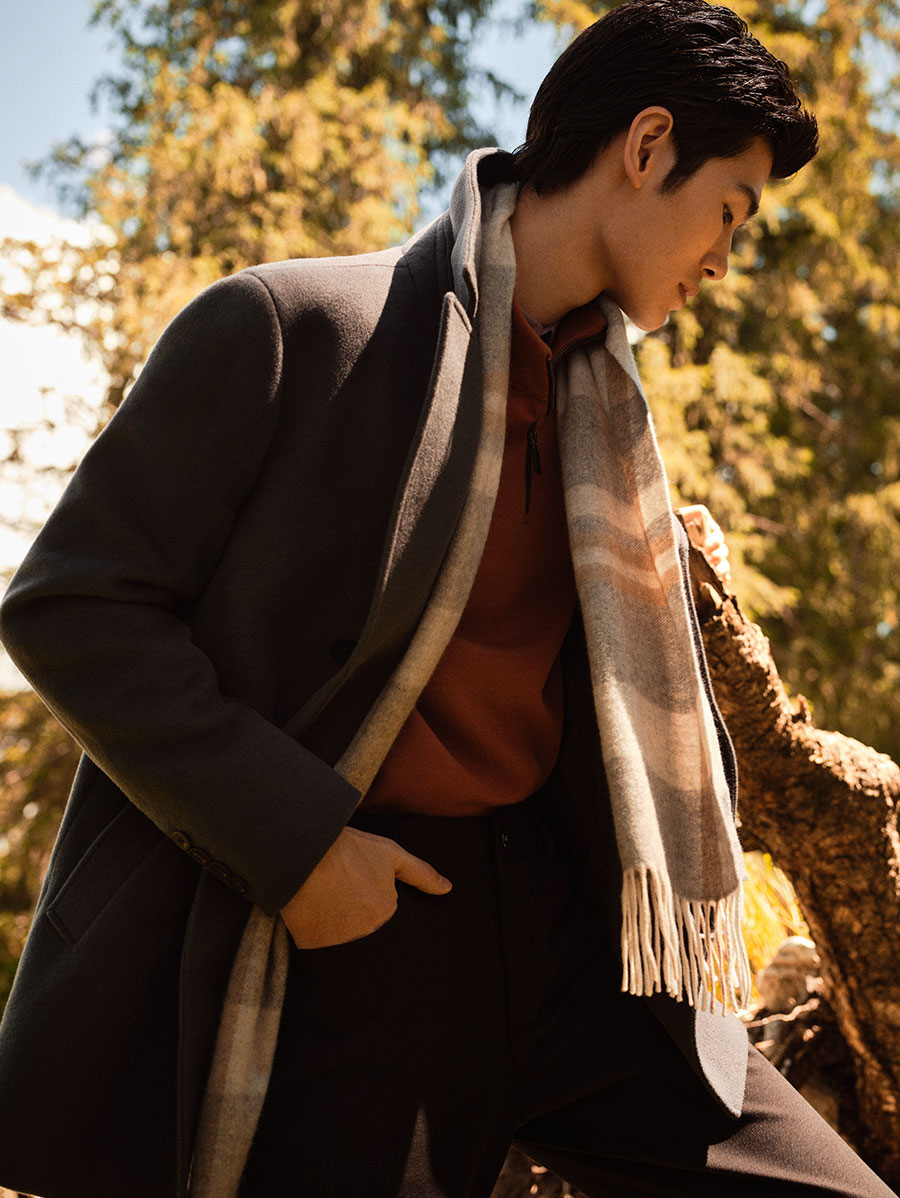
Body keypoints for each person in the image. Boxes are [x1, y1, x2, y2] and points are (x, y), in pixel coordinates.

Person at [0, 1, 895, 1195]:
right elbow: (74, 605)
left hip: (578, 941)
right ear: (645, 148)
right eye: (728, 211)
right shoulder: (294, 328)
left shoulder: (602, 422)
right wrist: (298, 850)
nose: (727, 261)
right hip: (372, 923)